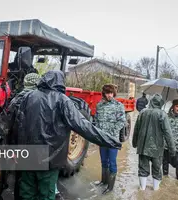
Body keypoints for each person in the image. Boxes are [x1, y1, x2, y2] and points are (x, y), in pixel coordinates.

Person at [8, 70, 121, 200]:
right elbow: (84, 126)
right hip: (49, 159)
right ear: (60, 83)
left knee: (26, 193)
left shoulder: (28, 96)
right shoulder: (62, 100)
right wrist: (111, 141)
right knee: (46, 194)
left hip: (27, 156)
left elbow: (17, 125)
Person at [7, 72, 41, 200]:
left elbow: (9, 127)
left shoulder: (15, 99)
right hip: (34, 148)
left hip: (17, 147)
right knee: (31, 183)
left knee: (19, 179)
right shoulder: (39, 100)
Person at [132, 94, 176, 191]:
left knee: (143, 169)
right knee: (157, 169)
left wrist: (134, 143)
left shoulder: (142, 112)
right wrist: (172, 149)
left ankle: (142, 189)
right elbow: (168, 133)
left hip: (143, 146)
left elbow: (136, 129)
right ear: (161, 103)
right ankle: (155, 190)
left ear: (151, 101)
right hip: (157, 148)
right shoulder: (162, 114)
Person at [95, 84, 126, 194]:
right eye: (107, 93)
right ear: (104, 93)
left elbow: (122, 122)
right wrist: (97, 133)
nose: (109, 95)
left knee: (112, 162)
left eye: (111, 93)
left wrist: (111, 133)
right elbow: (96, 120)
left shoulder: (119, 105)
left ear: (114, 93)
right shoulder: (99, 105)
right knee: (104, 161)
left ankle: (110, 187)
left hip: (112, 140)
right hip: (102, 139)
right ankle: (104, 181)